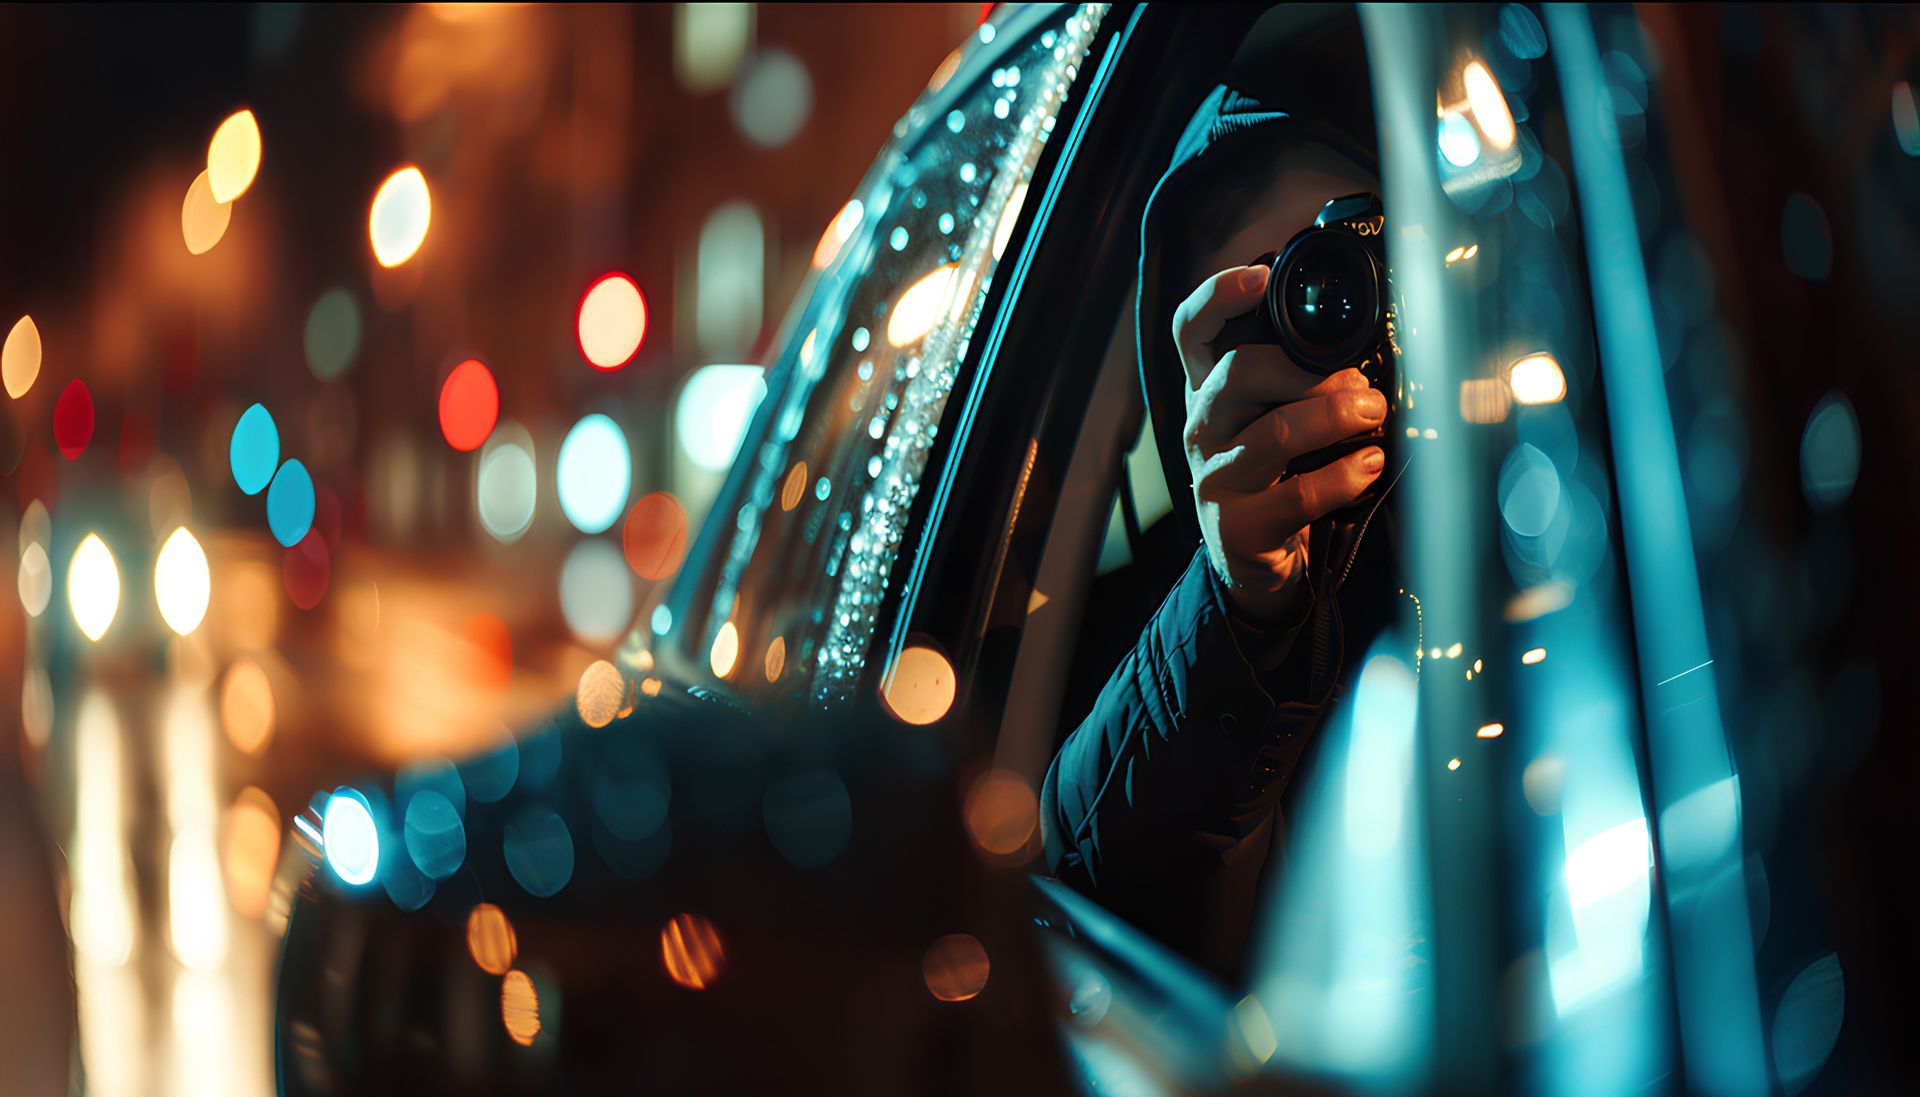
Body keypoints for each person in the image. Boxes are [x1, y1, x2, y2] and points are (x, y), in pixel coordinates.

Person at [1040, 86, 1408, 982]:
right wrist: (1243, 612)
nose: (1338, 319)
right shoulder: (1121, 637)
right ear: (1194, 386)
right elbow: (1094, 879)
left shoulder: (1561, 488)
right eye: (1291, 297)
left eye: (1364, 265)